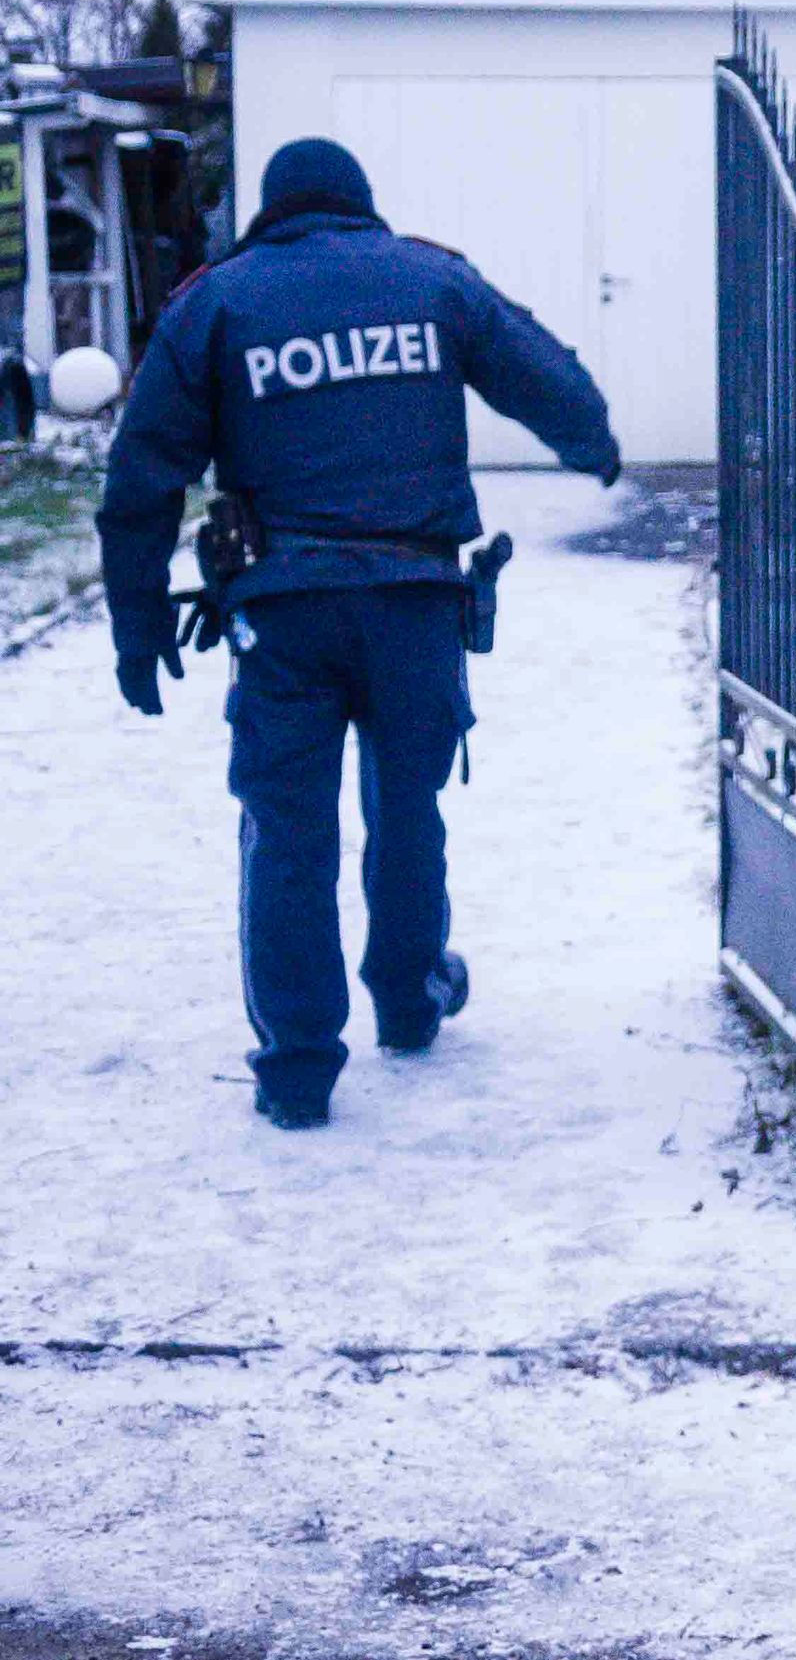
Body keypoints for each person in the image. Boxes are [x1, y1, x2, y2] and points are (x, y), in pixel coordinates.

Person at [94, 134, 622, 1131]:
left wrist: (135, 625)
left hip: (284, 614)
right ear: (360, 203)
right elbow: (540, 369)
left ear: (270, 207)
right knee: (410, 804)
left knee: (287, 832)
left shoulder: (218, 301)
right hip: (418, 598)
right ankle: (410, 995)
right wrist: (593, 443)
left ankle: (296, 1070)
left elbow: (143, 474)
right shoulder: (431, 278)